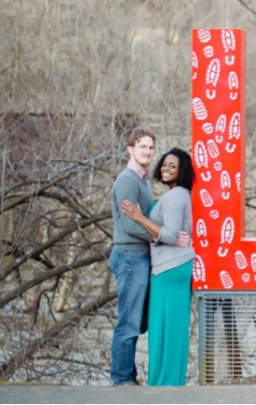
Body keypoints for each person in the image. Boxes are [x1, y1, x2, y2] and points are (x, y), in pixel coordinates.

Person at [121, 148, 196, 386]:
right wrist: (162, 235)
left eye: (172, 166)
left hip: (170, 269)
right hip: (173, 266)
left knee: (165, 331)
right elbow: (170, 235)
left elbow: (172, 234)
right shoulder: (180, 195)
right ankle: (167, 382)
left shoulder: (175, 197)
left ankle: (165, 385)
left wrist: (139, 217)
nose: (166, 168)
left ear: (182, 170)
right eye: (164, 164)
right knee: (168, 329)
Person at [109, 127, 157, 386]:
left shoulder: (144, 180)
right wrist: (161, 237)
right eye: (142, 147)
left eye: (150, 147)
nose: (147, 151)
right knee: (128, 320)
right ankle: (121, 378)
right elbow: (130, 226)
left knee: (138, 321)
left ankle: (128, 375)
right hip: (129, 255)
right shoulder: (128, 180)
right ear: (130, 149)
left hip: (140, 256)